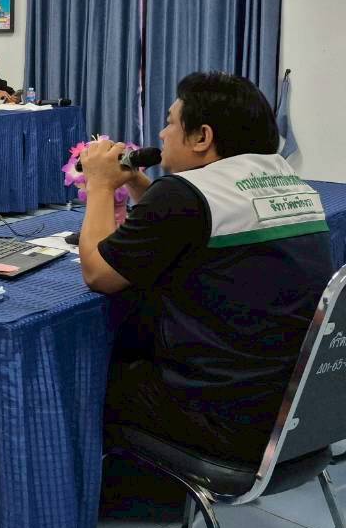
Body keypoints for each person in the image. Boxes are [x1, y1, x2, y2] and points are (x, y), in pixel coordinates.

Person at [80, 72, 334, 466]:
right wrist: (136, 185)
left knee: (83, 381)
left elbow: (98, 274)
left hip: (220, 419)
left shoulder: (183, 194)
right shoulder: (289, 181)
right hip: (293, 412)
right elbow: (187, 225)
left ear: (202, 137)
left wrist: (99, 185)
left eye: (170, 123)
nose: (162, 134)